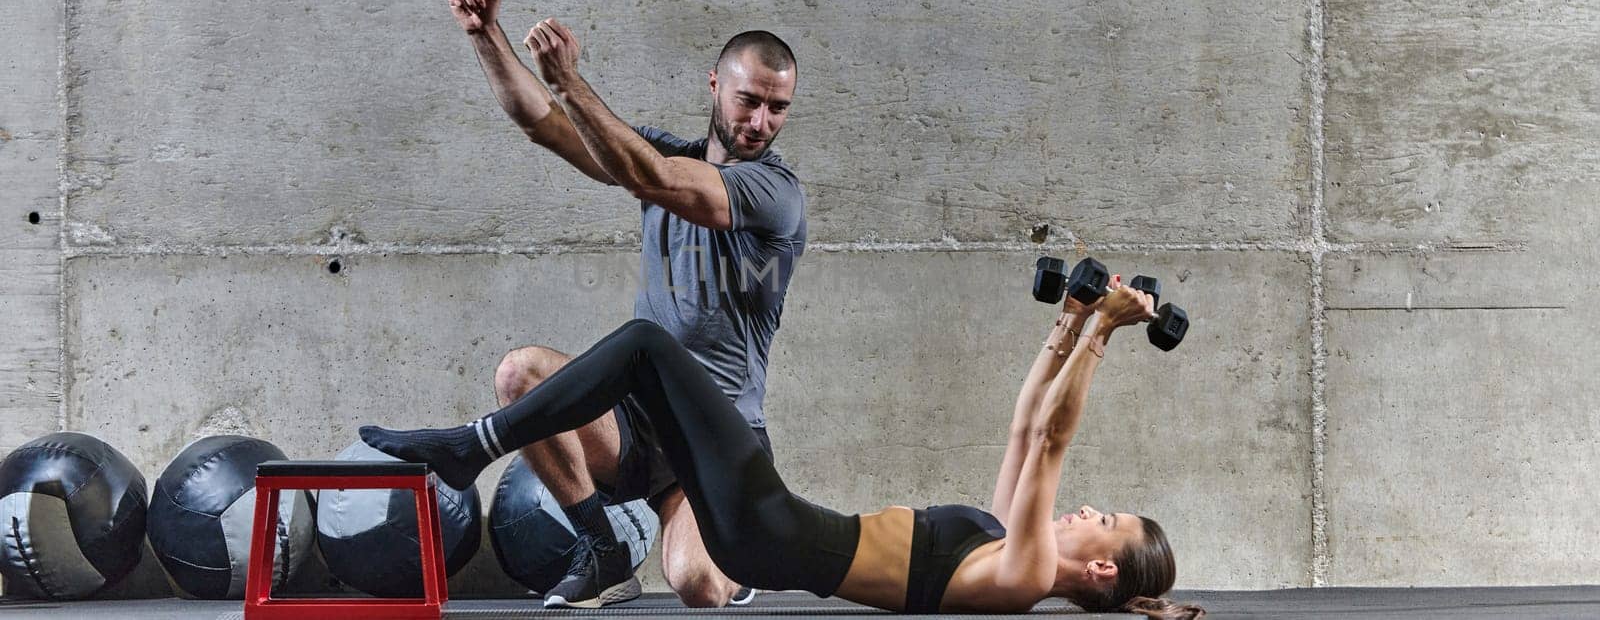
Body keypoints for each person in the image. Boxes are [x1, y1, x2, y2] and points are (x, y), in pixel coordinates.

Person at [362, 273, 1205, 618]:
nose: (1092, 508)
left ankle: (473, 447)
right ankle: (481, 443)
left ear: (1102, 569)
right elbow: (1027, 429)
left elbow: (1055, 442)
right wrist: (1071, 322)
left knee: (651, 345)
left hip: (770, 529)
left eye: (1111, 519)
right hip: (771, 520)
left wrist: (1104, 333)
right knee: (647, 366)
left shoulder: (1019, 577)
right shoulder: (997, 546)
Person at [444, 0, 805, 608]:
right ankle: (604, 553)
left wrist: (568, 79)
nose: (760, 122)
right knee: (520, 377)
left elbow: (655, 177)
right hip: (636, 423)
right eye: (750, 100)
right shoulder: (663, 154)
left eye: (778, 108)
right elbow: (546, 126)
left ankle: (735, 546)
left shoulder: (775, 195)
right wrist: (487, 37)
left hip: (719, 434)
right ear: (715, 84)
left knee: (698, 585)